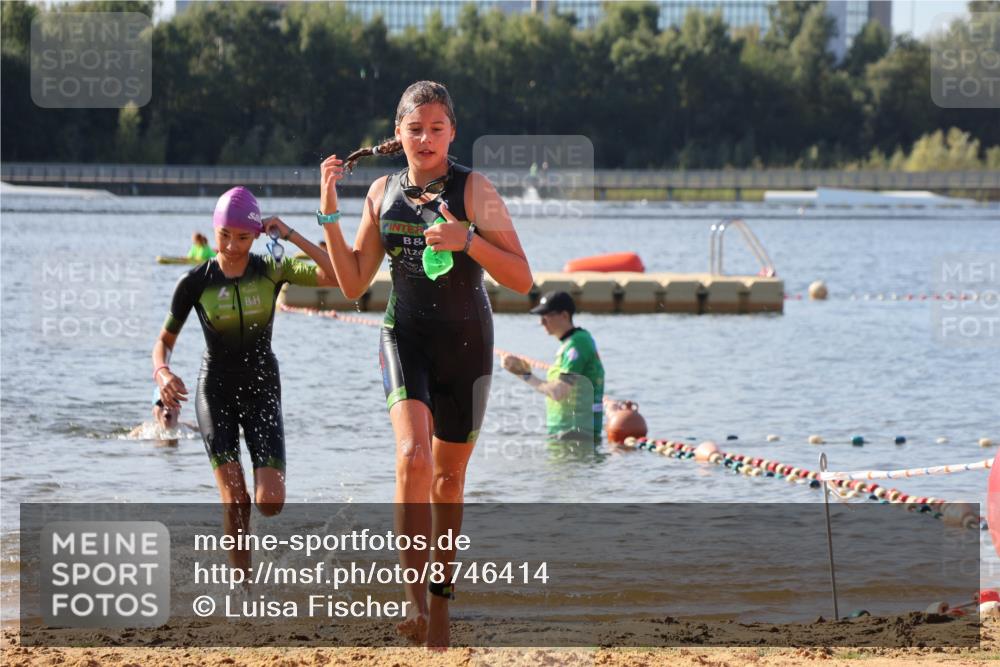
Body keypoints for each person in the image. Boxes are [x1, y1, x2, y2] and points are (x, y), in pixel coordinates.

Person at [318, 81, 532, 648]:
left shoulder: (474, 189)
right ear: (399, 134)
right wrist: (328, 214)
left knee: (447, 478)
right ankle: (414, 601)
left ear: (452, 132)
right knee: (412, 457)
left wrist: (469, 242)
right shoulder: (382, 192)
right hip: (404, 336)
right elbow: (353, 283)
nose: (426, 138)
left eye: (437, 128)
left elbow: (522, 278)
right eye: (415, 129)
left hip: (466, 344)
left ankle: (440, 601)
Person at [152, 186, 339, 575]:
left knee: (269, 502)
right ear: (213, 230)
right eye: (224, 236)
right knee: (235, 499)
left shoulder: (271, 268)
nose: (232, 246)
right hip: (214, 388)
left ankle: (248, 557)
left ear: (255, 235)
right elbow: (163, 342)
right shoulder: (194, 282)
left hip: (262, 388)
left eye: (241, 237)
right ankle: (243, 589)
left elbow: (335, 276)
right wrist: (163, 371)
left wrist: (289, 234)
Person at [501, 291, 605, 445]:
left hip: (577, 435)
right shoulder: (570, 343)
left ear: (564, 315)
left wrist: (525, 375)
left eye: (546, 315)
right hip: (567, 433)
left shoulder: (578, 344)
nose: (541, 322)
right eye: (540, 317)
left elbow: (558, 392)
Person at [126, 389, 198, 446]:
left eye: (171, 403)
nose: (167, 407)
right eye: (161, 404)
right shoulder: (142, 431)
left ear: (178, 410)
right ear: (153, 411)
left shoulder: (190, 429)